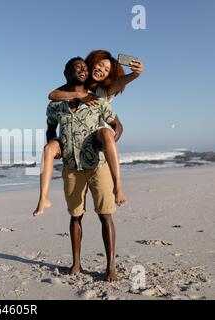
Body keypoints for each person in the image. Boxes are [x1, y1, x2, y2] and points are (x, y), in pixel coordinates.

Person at [33, 50, 143, 216]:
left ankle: (118, 188)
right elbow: (52, 95)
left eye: (107, 70)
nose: (102, 70)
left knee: (105, 132)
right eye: (100, 65)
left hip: (96, 137)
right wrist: (78, 95)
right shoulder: (74, 85)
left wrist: (134, 75)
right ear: (91, 63)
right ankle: (43, 198)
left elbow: (118, 91)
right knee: (49, 149)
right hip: (74, 144)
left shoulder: (102, 91)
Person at [46, 75, 121, 281]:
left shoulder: (98, 101)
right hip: (71, 167)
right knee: (75, 215)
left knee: (105, 215)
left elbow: (117, 125)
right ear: (67, 73)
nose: (82, 70)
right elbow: (51, 128)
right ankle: (76, 262)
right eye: (77, 67)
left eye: (84, 68)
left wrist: (108, 142)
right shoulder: (56, 105)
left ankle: (110, 267)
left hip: (98, 166)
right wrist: (55, 144)